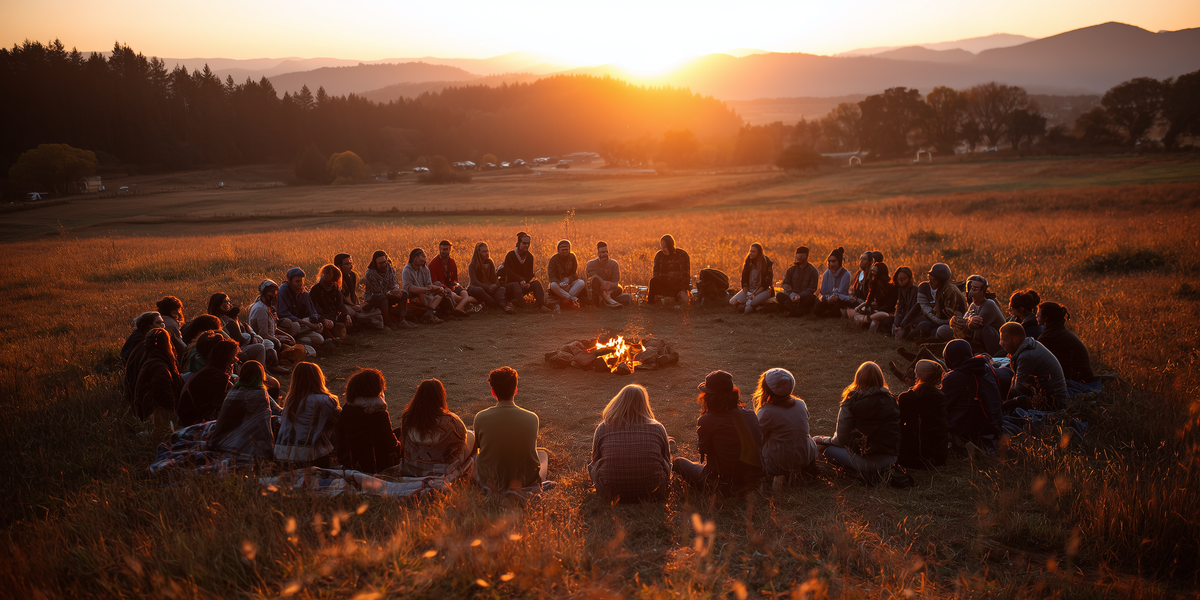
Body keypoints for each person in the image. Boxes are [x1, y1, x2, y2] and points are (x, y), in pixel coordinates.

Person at [672, 370, 764, 494]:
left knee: (678, 463)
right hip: (755, 479)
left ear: (709, 397)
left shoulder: (707, 420)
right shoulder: (750, 414)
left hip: (723, 483)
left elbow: (703, 448)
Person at [814, 362, 900, 478]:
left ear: (858, 378)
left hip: (866, 462)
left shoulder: (851, 401)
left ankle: (856, 473)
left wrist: (823, 440)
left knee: (827, 450)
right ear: (880, 378)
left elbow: (841, 440)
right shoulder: (891, 400)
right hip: (891, 460)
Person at [588, 384, 672, 501]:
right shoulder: (658, 428)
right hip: (653, 490)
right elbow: (666, 459)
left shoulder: (603, 427)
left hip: (610, 490)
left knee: (590, 467)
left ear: (618, 402)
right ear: (644, 404)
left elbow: (595, 459)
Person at [472, 366, 549, 491]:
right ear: (515, 390)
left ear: (493, 391)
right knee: (543, 454)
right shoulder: (532, 418)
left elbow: (479, 449)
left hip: (491, 483)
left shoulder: (480, 417)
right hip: (525, 482)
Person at [397, 378, 474, 478]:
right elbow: (461, 440)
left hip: (411, 467)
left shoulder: (407, 417)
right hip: (442, 470)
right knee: (471, 435)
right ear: (441, 396)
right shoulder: (451, 420)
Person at [753, 368, 818, 485]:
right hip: (806, 458)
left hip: (779, 464)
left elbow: (757, 438)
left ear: (765, 389)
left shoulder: (766, 411)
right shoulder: (800, 404)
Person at [274, 362, 341, 468]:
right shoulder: (326, 401)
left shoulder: (290, 401)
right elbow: (341, 422)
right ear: (319, 378)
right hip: (312, 456)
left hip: (282, 454)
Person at [941, 339, 1003, 451]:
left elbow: (942, 406)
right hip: (994, 425)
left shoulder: (954, 377)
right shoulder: (986, 368)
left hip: (970, 432)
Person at [336, 368, 401, 474]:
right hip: (374, 466)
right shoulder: (379, 414)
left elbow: (340, 438)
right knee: (402, 433)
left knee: (398, 431)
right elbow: (391, 444)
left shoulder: (347, 409)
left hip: (350, 463)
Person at [208, 361, 278, 459]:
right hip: (242, 445)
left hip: (219, 441)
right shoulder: (260, 394)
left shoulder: (233, 391)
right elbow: (263, 424)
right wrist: (268, 449)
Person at [998, 322, 1069, 411]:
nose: (1000, 343)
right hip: (1045, 395)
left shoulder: (1027, 356)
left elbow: (1018, 391)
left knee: (998, 388)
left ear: (1015, 340)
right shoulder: (1029, 345)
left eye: (1003, 340)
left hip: (1052, 404)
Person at [1036, 302, 1100, 396]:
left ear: (1046, 318)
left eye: (1038, 314)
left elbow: (1036, 360)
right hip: (1083, 376)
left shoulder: (1048, 336)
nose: (1036, 316)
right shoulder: (1058, 330)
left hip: (1077, 380)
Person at [896, 360, 948, 469]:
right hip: (938, 457)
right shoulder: (941, 397)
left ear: (918, 375)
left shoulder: (906, 398)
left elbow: (899, 424)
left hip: (911, 458)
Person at [176, 339, 239, 427]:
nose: (236, 359)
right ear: (227, 357)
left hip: (186, 413)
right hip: (192, 419)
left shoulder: (209, 370)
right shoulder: (218, 376)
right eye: (234, 355)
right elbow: (217, 404)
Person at [940, 275, 1005, 356]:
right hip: (980, 341)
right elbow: (965, 322)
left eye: (975, 289)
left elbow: (975, 325)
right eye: (969, 288)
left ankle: (988, 354)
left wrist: (968, 321)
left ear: (983, 291)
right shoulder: (973, 305)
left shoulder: (989, 304)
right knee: (944, 330)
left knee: (984, 329)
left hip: (999, 343)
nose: (971, 292)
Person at [248, 280, 305, 373]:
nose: (273, 297)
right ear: (264, 293)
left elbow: (273, 328)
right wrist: (278, 340)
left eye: (275, 294)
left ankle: (281, 356)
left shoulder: (268, 307)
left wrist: (288, 336)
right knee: (272, 344)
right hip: (261, 340)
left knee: (295, 346)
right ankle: (273, 365)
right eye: (271, 294)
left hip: (271, 336)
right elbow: (263, 334)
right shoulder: (261, 309)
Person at [132, 328, 183, 429]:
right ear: (166, 344)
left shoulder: (149, 360)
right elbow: (166, 398)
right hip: (160, 419)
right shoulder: (159, 367)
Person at [277, 268, 330, 351]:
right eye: (297, 281)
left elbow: (312, 311)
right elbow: (283, 313)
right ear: (289, 281)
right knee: (295, 325)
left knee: (319, 339)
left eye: (301, 281)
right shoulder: (282, 291)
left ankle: (296, 343)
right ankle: (291, 342)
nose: (300, 283)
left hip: (301, 324)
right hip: (289, 325)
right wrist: (307, 324)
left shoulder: (303, 292)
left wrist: (315, 321)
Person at [207, 293, 268, 365]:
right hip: (232, 350)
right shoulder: (226, 321)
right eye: (226, 301)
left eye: (229, 301)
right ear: (218, 304)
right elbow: (239, 341)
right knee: (260, 347)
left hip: (229, 348)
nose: (229, 304)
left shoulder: (216, 318)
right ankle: (261, 370)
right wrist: (250, 335)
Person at [912, 263, 967, 340]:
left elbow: (945, 317)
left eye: (932, 280)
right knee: (922, 325)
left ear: (940, 280)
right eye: (929, 278)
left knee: (935, 331)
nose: (929, 282)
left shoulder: (950, 290)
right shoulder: (941, 289)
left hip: (954, 325)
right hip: (942, 321)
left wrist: (927, 313)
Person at [363, 250, 415, 329]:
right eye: (380, 263)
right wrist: (390, 293)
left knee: (404, 293)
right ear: (374, 263)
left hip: (389, 294)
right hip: (375, 298)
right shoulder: (370, 274)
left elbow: (395, 282)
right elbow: (377, 291)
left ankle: (402, 320)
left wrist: (396, 289)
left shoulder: (391, 269)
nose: (383, 265)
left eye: (385, 262)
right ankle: (387, 321)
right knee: (382, 298)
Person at [403, 248, 456, 324]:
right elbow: (409, 287)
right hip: (414, 294)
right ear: (415, 257)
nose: (424, 258)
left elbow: (429, 285)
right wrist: (424, 290)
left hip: (426, 292)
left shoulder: (425, 269)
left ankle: (428, 314)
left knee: (441, 293)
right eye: (422, 256)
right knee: (420, 294)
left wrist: (439, 288)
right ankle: (429, 314)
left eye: (424, 256)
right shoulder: (407, 270)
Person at [502, 232, 551, 312]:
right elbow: (509, 273)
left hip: (522, 285)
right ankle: (522, 307)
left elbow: (529, 274)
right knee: (515, 284)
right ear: (518, 243)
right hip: (510, 286)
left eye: (528, 243)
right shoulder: (510, 255)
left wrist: (526, 283)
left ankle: (541, 305)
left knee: (536, 283)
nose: (526, 245)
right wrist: (520, 280)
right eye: (524, 243)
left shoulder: (529, 257)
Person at [123, 311, 165, 405]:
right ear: (148, 326)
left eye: (163, 322)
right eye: (158, 323)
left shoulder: (139, 336)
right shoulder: (144, 342)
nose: (162, 325)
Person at [335, 252, 383, 330]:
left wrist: (356, 305)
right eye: (347, 264)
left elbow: (353, 295)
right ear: (339, 266)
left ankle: (359, 323)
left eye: (350, 263)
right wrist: (352, 307)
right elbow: (338, 302)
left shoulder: (352, 276)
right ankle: (359, 324)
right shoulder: (335, 280)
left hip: (351, 305)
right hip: (341, 307)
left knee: (377, 312)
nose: (350, 266)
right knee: (351, 312)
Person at [310, 264, 353, 342]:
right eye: (332, 279)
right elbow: (315, 308)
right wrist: (323, 319)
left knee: (349, 318)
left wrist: (345, 314)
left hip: (333, 315)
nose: (333, 282)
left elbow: (340, 304)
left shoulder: (335, 287)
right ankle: (332, 339)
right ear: (325, 274)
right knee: (321, 324)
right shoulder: (316, 289)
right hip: (322, 316)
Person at [429, 240, 474, 314]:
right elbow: (434, 281)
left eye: (445, 249)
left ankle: (457, 310)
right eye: (441, 249)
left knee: (465, 293)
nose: (443, 251)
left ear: (450, 249)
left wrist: (454, 285)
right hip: (442, 289)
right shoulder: (434, 263)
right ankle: (459, 309)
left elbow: (455, 279)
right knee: (459, 298)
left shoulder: (452, 262)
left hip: (451, 287)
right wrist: (446, 287)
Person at [467, 242, 511, 313]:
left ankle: (505, 306)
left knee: (501, 289)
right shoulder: (472, 265)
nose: (487, 253)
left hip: (489, 288)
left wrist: (495, 285)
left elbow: (494, 279)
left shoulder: (490, 262)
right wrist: (487, 287)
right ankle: (494, 303)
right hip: (476, 288)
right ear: (478, 253)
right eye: (484, 251)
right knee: (479, 290)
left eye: (487, 251)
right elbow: (474, 282)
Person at [585, 241, 632, 308]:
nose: (605, 254)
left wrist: (607, 290)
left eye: (607, 252)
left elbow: (615, 284)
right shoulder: (591, 264)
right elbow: (593, 279)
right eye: (603, 252)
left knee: (619, 290)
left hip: (610, 291)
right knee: (595, 281)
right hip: (596, 290)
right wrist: (603, 283)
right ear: (598, 253)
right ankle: (609, 301)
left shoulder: (614, 264)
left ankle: (603, 300)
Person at [648, 234, 691, 307]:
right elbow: (656, 274)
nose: (663, 249)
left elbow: (685, 275)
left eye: (665, 247)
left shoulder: (682, 255)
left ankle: (678, 297)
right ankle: (650, 304)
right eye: (662, 247)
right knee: (653, 281)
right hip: (664, 283)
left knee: (685, 300)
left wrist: (684, 288)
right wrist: (668, 276)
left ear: (671, 246)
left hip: (678, 285)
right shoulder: (659, 256)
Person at [731, 243, 774, 315]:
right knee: (732, 301)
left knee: (751, 304)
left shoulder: (766, 263)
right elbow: (744, 281)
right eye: (750, 251)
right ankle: (747, 304)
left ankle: (756, 305)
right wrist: (746, 295)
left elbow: (765, 284)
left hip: (762, 291)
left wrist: (754, 294)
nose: (751, 253)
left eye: (753, 252)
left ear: (759, 253)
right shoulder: (748, 262)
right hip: (750, 290)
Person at [854, 262, 898, 332]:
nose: (871, 273)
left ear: (880, 274)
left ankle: (866, 320)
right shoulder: (874, 284)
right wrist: (861, 307)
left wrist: (879, 310)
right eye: (871, 271)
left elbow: (890, 305)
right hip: (876, 310)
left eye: (874, 272)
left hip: (886, 312)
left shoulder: (892, 287)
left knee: (881, 315)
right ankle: (867, 319)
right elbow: (869, 299)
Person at [777, 246, 819, 317]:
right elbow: (786, 283)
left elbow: (812, 288)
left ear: (807, 257)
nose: (799, 258)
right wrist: (791, 295)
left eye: (802, 256)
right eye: (798, 256)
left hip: (804, 297)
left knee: (812, 298)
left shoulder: (813, 271)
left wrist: (800, 296)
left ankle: (791, 310)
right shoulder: (791, 270)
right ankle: (802, 311)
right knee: (779, 295)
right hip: (791, 296)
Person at [812, 247, 854, 318]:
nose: (831, 264)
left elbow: (842, 293)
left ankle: (831, 313)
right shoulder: (827, 273)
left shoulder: (846, 274)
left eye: (833, 261)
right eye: (829, 261)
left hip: (839, 300)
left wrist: (834, 297)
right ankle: (829, 312)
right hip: (828, 299)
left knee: (838, 305)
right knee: (816, 309)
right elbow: (823, 291)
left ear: (839, 261)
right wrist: (827, 299)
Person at [547, 239, 585, 309]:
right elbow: (551, 276)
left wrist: (568, 280)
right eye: (563, 250)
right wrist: (560, 283)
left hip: (570, 284)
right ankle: (571, 298)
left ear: (569, 249)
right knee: (552, 285)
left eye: (566, 249)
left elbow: (574, 274)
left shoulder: (572, 257)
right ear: (558, 250)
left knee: (581, 282)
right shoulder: (553, 259)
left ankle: (565, 300)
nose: (565, 251)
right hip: (558, 284)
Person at [845, 251, 879, 318]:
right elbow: (854, 289)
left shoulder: (871, 277)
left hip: (866, 303)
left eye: (864, 259)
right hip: (857, 301)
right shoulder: (859, 273)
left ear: (870, 262)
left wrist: (863, 301)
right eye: (861, 258)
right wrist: (853, 296)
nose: (861, 261)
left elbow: (872, 296)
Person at [890, 267, 919, 340]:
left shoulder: (916, 290)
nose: (900, 281)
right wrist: (897, 323)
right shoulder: (901, 288)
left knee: (900, 334)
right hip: (903, 316)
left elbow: (913, 311)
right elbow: (899, 307)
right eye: (899, 279)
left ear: (909, 278)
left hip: (912, 319)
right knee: (893, 330)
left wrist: (902, 325)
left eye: (903, 279)